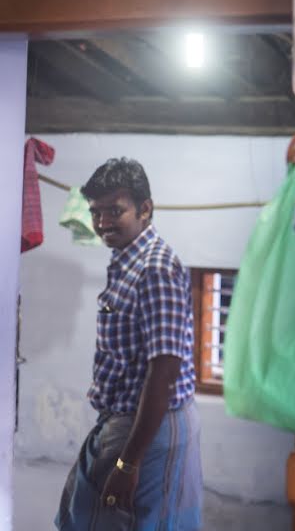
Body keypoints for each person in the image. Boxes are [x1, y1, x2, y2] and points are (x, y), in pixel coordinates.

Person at [56, 158, 203, 530]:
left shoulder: (155, 268)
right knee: (89, 514)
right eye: (96, 211)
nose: (103, 222)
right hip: (128, 422)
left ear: (145, 209)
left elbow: (164, 372)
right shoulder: (129, 260)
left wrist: (128, 462)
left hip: (147, 429)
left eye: (115, 211)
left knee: (119, 520)